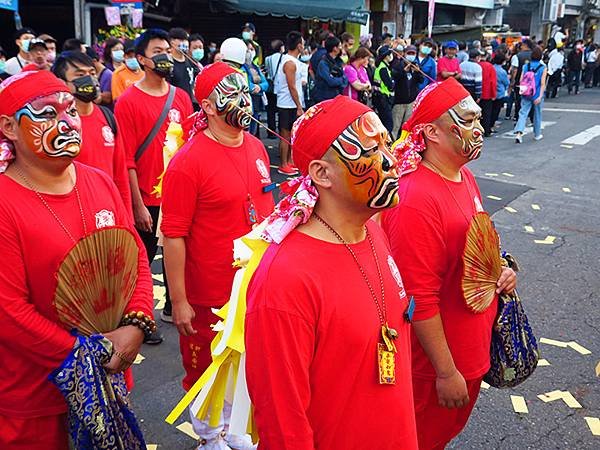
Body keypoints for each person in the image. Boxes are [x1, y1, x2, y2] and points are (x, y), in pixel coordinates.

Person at [246, 95, 418, 450]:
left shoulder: (372, 229)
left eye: (387, 143)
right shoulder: (285, 280)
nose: (391, 161)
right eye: (371, 152)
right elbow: (283, 427)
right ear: (321, 174)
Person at [0, 69, 153, 450]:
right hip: (36, 398)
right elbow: (8, 311)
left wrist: (135, 324)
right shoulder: (4, 201)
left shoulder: (97, 180)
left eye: (69, 111)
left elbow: (135, 258)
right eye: (47, 114)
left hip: (110, 378)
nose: (66, 122)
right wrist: (86, 352)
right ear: (8, 127)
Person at [381, 77, 517, 450]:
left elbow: (476, 247)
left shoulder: (464, 175)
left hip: (471, 349)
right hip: (435, 367)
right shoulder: (415, 198)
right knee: (421, 439)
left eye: (477, 119)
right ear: (432, 133)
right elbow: (418, 298)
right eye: (468, 120)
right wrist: (445, 372)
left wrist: (502, 269)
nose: (479, 128)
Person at [161, 62, 275, 445]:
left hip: (253, 288)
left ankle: (237, 424)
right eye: (231, 93)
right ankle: (210, 435)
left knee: (246, 363)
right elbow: (173, 236)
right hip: (208, 290)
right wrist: (179, 300)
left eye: (245, 90)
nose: (244, 100)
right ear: (208, 106)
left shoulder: (257, 146)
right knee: (206, 368)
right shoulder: (188, 162)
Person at [114, 29, 193, 336]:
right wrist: (137, 204)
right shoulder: (128, 103)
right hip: (147, 196)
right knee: (142, 262)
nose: (164, 56)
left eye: (167, 50)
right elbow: (127, 160)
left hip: (178, 194)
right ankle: (137, 321)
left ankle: (174, 306)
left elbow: (189, 145)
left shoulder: (182, 98)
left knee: (180, 252)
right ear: (141, 59)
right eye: (157, 51)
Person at [52, 51, 130, 211]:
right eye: (80, 74)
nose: (89, 78)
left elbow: (120, 173)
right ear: (62, 82)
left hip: (108, 211)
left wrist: (126, 216)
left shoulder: (108, 117)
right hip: (74, 212)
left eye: (92, 73)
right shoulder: (55, 125)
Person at [274, 31, 305, 175]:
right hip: (287, 104)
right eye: (303, 43)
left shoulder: (294, 62)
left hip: (292, 103)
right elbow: (291, 86)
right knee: (285, 134)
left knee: (293, 134)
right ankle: (284, 164)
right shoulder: (289, 63)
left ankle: (290, 161)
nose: (304, 46)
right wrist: (299, 106)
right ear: (299, 46)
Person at [514, 46, 547, 144]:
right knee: (537, 114)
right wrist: (540, 96)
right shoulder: (543, 68)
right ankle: (537, 134)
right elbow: (542, 83)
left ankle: (519, 133)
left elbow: (521, 80)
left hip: (526, 93)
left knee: (523, 113)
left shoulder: (526, 66)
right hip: (536, 94)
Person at [391, 44, 423, 139]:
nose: (411, 55)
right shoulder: (398, 64)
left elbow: (421, 80)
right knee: (395, 126)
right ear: (404, 53)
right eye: (409, 53)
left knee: (406, 127)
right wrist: (403, 71)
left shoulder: (416, 65)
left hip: (411, 101)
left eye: (413, 53)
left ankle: (404, 145)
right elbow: (394, 78)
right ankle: (391, 145)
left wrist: (417, 72)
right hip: (399, 102)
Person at [242, 42, 269, 138]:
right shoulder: (241, 67)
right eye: (247, 50)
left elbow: (266, 83)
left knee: (253, 131)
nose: (249, 52)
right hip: (247, 103)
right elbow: (246, 83)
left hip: (256, 102)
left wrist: (260, 87)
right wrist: (254, 87)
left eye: (251, 49)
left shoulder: (255, 66)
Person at [168, 27, 199, 103]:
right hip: (174, 103)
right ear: (172, 42)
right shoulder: (168, 63)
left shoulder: (192, 62)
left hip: (190, 104)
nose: (185, 43)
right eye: (181, 40)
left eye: (186, 40)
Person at [313, 36, 347, 102]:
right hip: (324, 98)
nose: (341, 48)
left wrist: (339, 79)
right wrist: (341, 79)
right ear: (335, 48)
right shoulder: (323, 63)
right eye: (340, 46)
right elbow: (330, 81)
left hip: (336, 97)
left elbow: (345, 80)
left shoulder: (339, 61)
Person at [372, 45, 395, 134]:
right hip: (383, 98)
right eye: (390, 54)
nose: (391, 56)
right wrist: (393, 82)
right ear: (386, 56)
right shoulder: (383, 69)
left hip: (381, 98)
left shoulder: (381, 66)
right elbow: (390, 85)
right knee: (388, 124)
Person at [264, 39, 285, 137]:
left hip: (270, 87)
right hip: (280, 87)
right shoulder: (284, 57)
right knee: (281, 110)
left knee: (270, 111)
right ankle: (281, 129)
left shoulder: (267, 59)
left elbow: (268, 71)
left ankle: (271, 131)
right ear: (280, 47)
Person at [509, 38, 533, 119]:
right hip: (532, 81)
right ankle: (530, 114)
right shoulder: (535, 55)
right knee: (531, 97)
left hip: (520, 81)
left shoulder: (517, 56)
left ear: (525, 45)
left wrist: (512, 81)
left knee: (519, 99)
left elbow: (514, 70)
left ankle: (518, 114)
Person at [479, 51, 497, 136]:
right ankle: (486, 130)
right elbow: (493, 82)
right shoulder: (490, 66)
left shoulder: (477, 65)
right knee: (487, 113)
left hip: (477, 92)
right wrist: (493, 94)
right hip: (487, 93)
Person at [491, 53, 510, 127]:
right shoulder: (502, 71)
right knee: (496, 109)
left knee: (491, 109)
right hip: (499, 92)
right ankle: (492, 123)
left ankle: (490, 123)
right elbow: (506, 82)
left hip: (491, 92)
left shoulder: (492, 68)